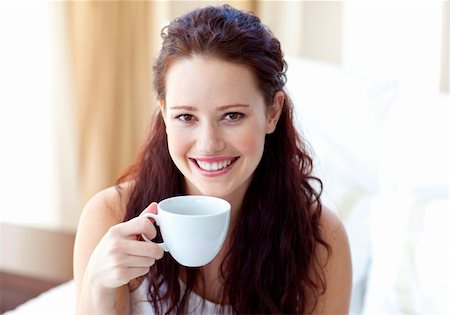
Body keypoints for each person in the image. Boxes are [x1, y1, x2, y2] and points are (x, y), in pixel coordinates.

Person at [73, 4, 352, 315]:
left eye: (232, 115)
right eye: (186, 117)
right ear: (164, 114)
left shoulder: (320, 237)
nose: (208, 144)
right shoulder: (110, 217)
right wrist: (98, 290)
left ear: (272, 112)